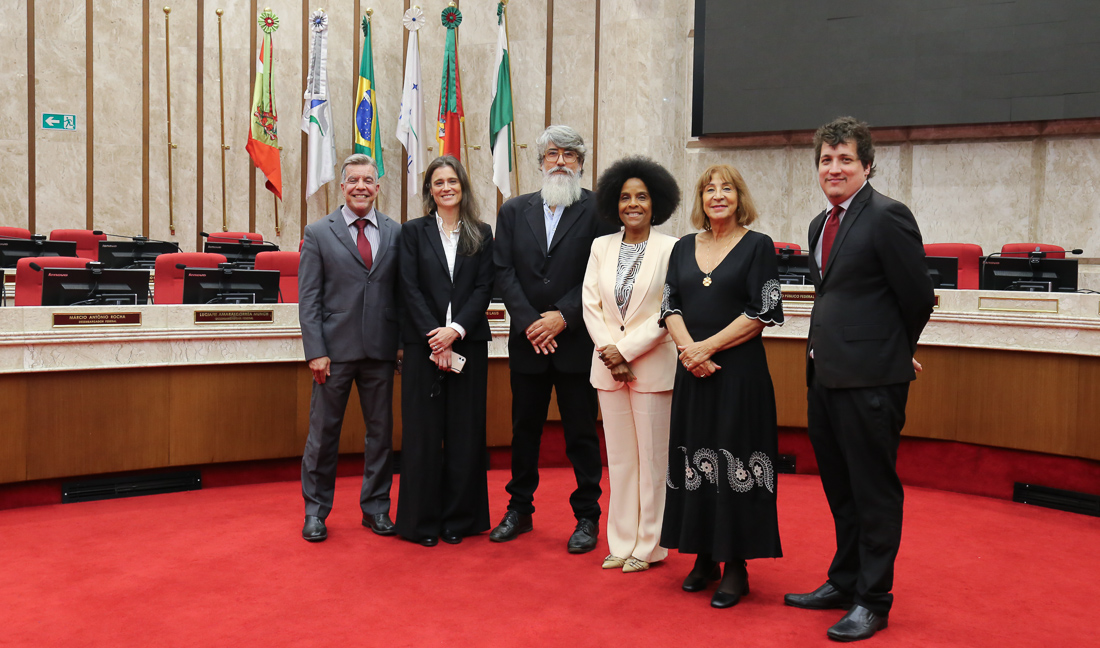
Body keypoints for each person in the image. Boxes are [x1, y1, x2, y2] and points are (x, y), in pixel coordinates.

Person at [784, 117, 935, 642]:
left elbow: (917, 296)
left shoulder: (888, 216)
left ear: (867, 165)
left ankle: (873, 600)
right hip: (825, 377)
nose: (834, 168)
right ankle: (843, 581)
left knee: (873, 494)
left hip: (872, 381)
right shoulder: (818, 224)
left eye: (845, 159)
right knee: (840, 490)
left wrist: (896, 352)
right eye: (826, 160)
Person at [660, 164, 785, 608]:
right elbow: (669, 305)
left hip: (739, 376)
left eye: (726, 188)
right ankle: (703, 556)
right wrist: (689, 351)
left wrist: (706, 348)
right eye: (709, 189)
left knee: (736, 460)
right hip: (693, 374)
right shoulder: (682, 247)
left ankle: (736, 566)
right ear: (700, 199)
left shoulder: (758, 246)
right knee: (695, 457)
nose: (717, 195)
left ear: (739, 197)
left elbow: (763, 312)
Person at [490, 125, 620, 552]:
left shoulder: (601, 211)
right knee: (523, 430)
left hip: (576, 342)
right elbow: (503, 272)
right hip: (528, 341)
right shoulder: (512, 211)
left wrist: (562, 317)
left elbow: (600, 274)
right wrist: (531, 321)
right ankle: (519, 510)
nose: (560, 161)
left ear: (582, 163)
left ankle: (587, 517)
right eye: (552, 154)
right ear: (540, 162)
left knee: (580, 433)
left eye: (569, 154)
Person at [582, 157, 679, 573]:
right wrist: (610, 352)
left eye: (641, 197)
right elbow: (590, 304)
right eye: (625, 197)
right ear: (613, 203)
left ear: (655, 203)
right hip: (608, 369)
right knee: (620, 461)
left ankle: (650, 544)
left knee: (653, 461)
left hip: (652, 368)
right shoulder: (601, 246)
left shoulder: (672, 247)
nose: (633, 204)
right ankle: (620, 542)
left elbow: (668, 310)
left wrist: (627, 352)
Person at [298, 153, 402, 542]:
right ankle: (315, 512)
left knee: (381, 435)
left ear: (377, 187)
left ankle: (376, 508)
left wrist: (402, 344)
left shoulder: (395, 231)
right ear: (342, 187)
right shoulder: (318, 232)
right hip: (333, 354)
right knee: (323, 436)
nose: (361, 186)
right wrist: (315, 351)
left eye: (368, 180)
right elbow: (308, 299)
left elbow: (400, 292)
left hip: (381, 351)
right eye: (353, 180)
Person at [395, 156, 494, 547]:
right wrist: (433, 336)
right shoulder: (412, 233)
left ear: (463, 187)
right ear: (429, 191)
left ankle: (459, 520)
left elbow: (484, 289)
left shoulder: (482, 233)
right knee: (422, 435)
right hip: (423, 348)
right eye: (438, 182)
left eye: (452, 181)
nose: (446, 188)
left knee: (464, 435)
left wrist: (454, 330)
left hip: (468, 344)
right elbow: (408, 287)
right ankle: (421, 523)